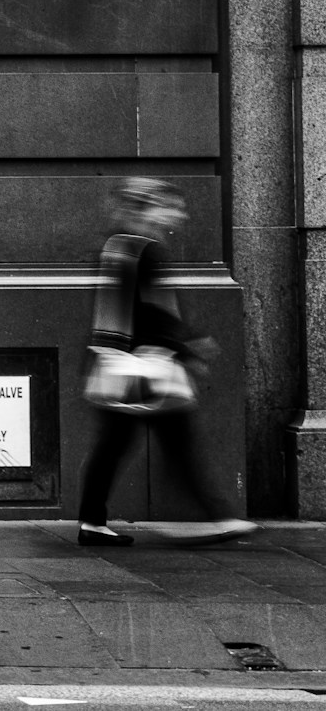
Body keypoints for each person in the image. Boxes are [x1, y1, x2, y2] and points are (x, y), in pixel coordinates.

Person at [76, 178, 257, 547]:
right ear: (147, 208)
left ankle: (93, 522)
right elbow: (157, 311)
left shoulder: (117, 246)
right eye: (169, 205)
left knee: (115, 445)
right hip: (148, 366)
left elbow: (120, 310)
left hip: (121, 363)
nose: (179, 213)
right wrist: (187, 347)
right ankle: (216, 516)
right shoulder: (147, 250)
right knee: (174, 444)